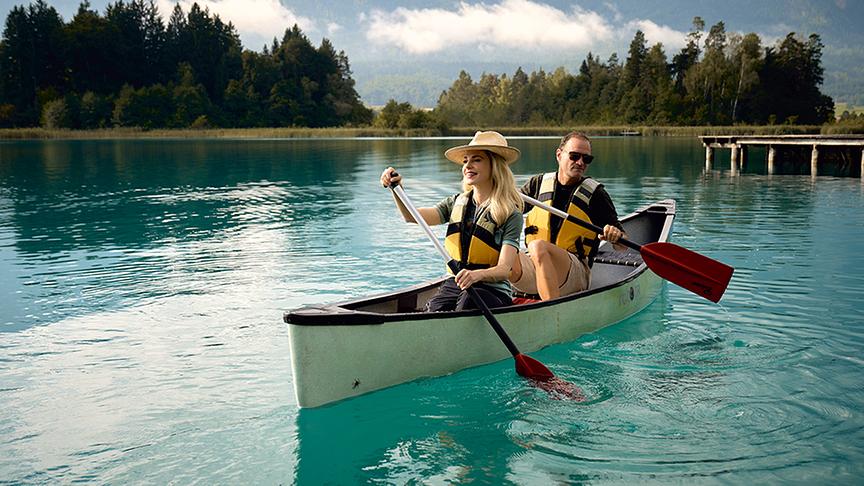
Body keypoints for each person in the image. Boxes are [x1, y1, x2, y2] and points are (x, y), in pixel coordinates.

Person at [380, 131, 524, 312]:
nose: (468, 166)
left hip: (492, 290)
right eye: (465, 161)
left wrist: (476, 275)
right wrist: (396, 189)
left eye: (477, 160)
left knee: (467, 302)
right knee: (435, 308)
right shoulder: (455, 202)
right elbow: (411, 216)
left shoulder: (511, 214)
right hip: (455, 284)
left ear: (494, 166)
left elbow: (504, 269)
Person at [510, 131, 626, 301]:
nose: (580, 162)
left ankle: (552, 308)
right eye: (574, 156)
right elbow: (507, 210)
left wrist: (615, 236)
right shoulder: (538, 184)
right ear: (559, 155)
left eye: (586, 159)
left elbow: (622, 245)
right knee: (503, 252)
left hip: (575, 273)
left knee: (538, 246)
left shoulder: (596, 195)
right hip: (536, 265)